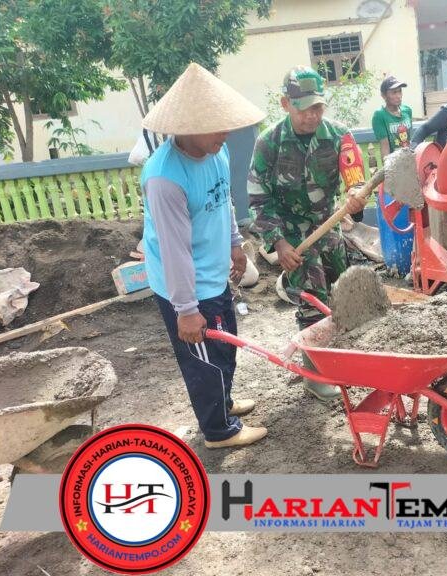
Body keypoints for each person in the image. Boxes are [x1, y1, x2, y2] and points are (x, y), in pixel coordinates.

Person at [140, 63, 267, 449]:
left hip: (213, 273)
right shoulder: (165, 178)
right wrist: (186, 309)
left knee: (224, 344)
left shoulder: (217, 151)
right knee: (202, 358)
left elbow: (223, 200)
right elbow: (174, 251)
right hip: (184, 284)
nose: (226, 131)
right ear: (186, 126)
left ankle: (223, 403)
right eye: (216, 124)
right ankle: (217, 430)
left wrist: (234, 243)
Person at [249, 66, 366, 402]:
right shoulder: (268, 143)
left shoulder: (339, 136)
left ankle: (346, 360)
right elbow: (258, 200)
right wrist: (279, 243)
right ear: (286, 104)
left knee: (342, 294)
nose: (311, 115)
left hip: (327, 228)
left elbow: (355, 179)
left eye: (317, 107)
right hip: (292, 236)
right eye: (304, 108)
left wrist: (355, 195)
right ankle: (315, 375)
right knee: (312, 300)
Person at [372, 75, 413, 158]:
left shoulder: (407, 111)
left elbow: (410, 138)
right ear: (384, 96)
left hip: (409, 159)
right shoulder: (379, 116)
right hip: (394, 163)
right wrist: (388, 169)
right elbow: (384, 146)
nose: (398, 96)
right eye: (394, 92)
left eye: (399, 91)